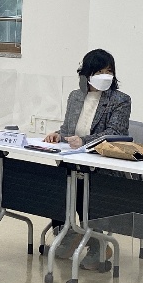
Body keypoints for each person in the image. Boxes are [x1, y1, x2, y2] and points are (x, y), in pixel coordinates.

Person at [43, 49, 131, 271]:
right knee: (55, 183)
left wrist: (84, 141)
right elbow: (68, 130)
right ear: (87, 74)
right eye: (99, 72)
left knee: (81, 185)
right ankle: (68, 233)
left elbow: (115, 134)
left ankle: (97, 244)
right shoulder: (75, 96)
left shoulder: (120, 100)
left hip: (103, 166)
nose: (105, 76)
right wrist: (58, 135)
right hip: (74, 160)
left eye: (108, 71)